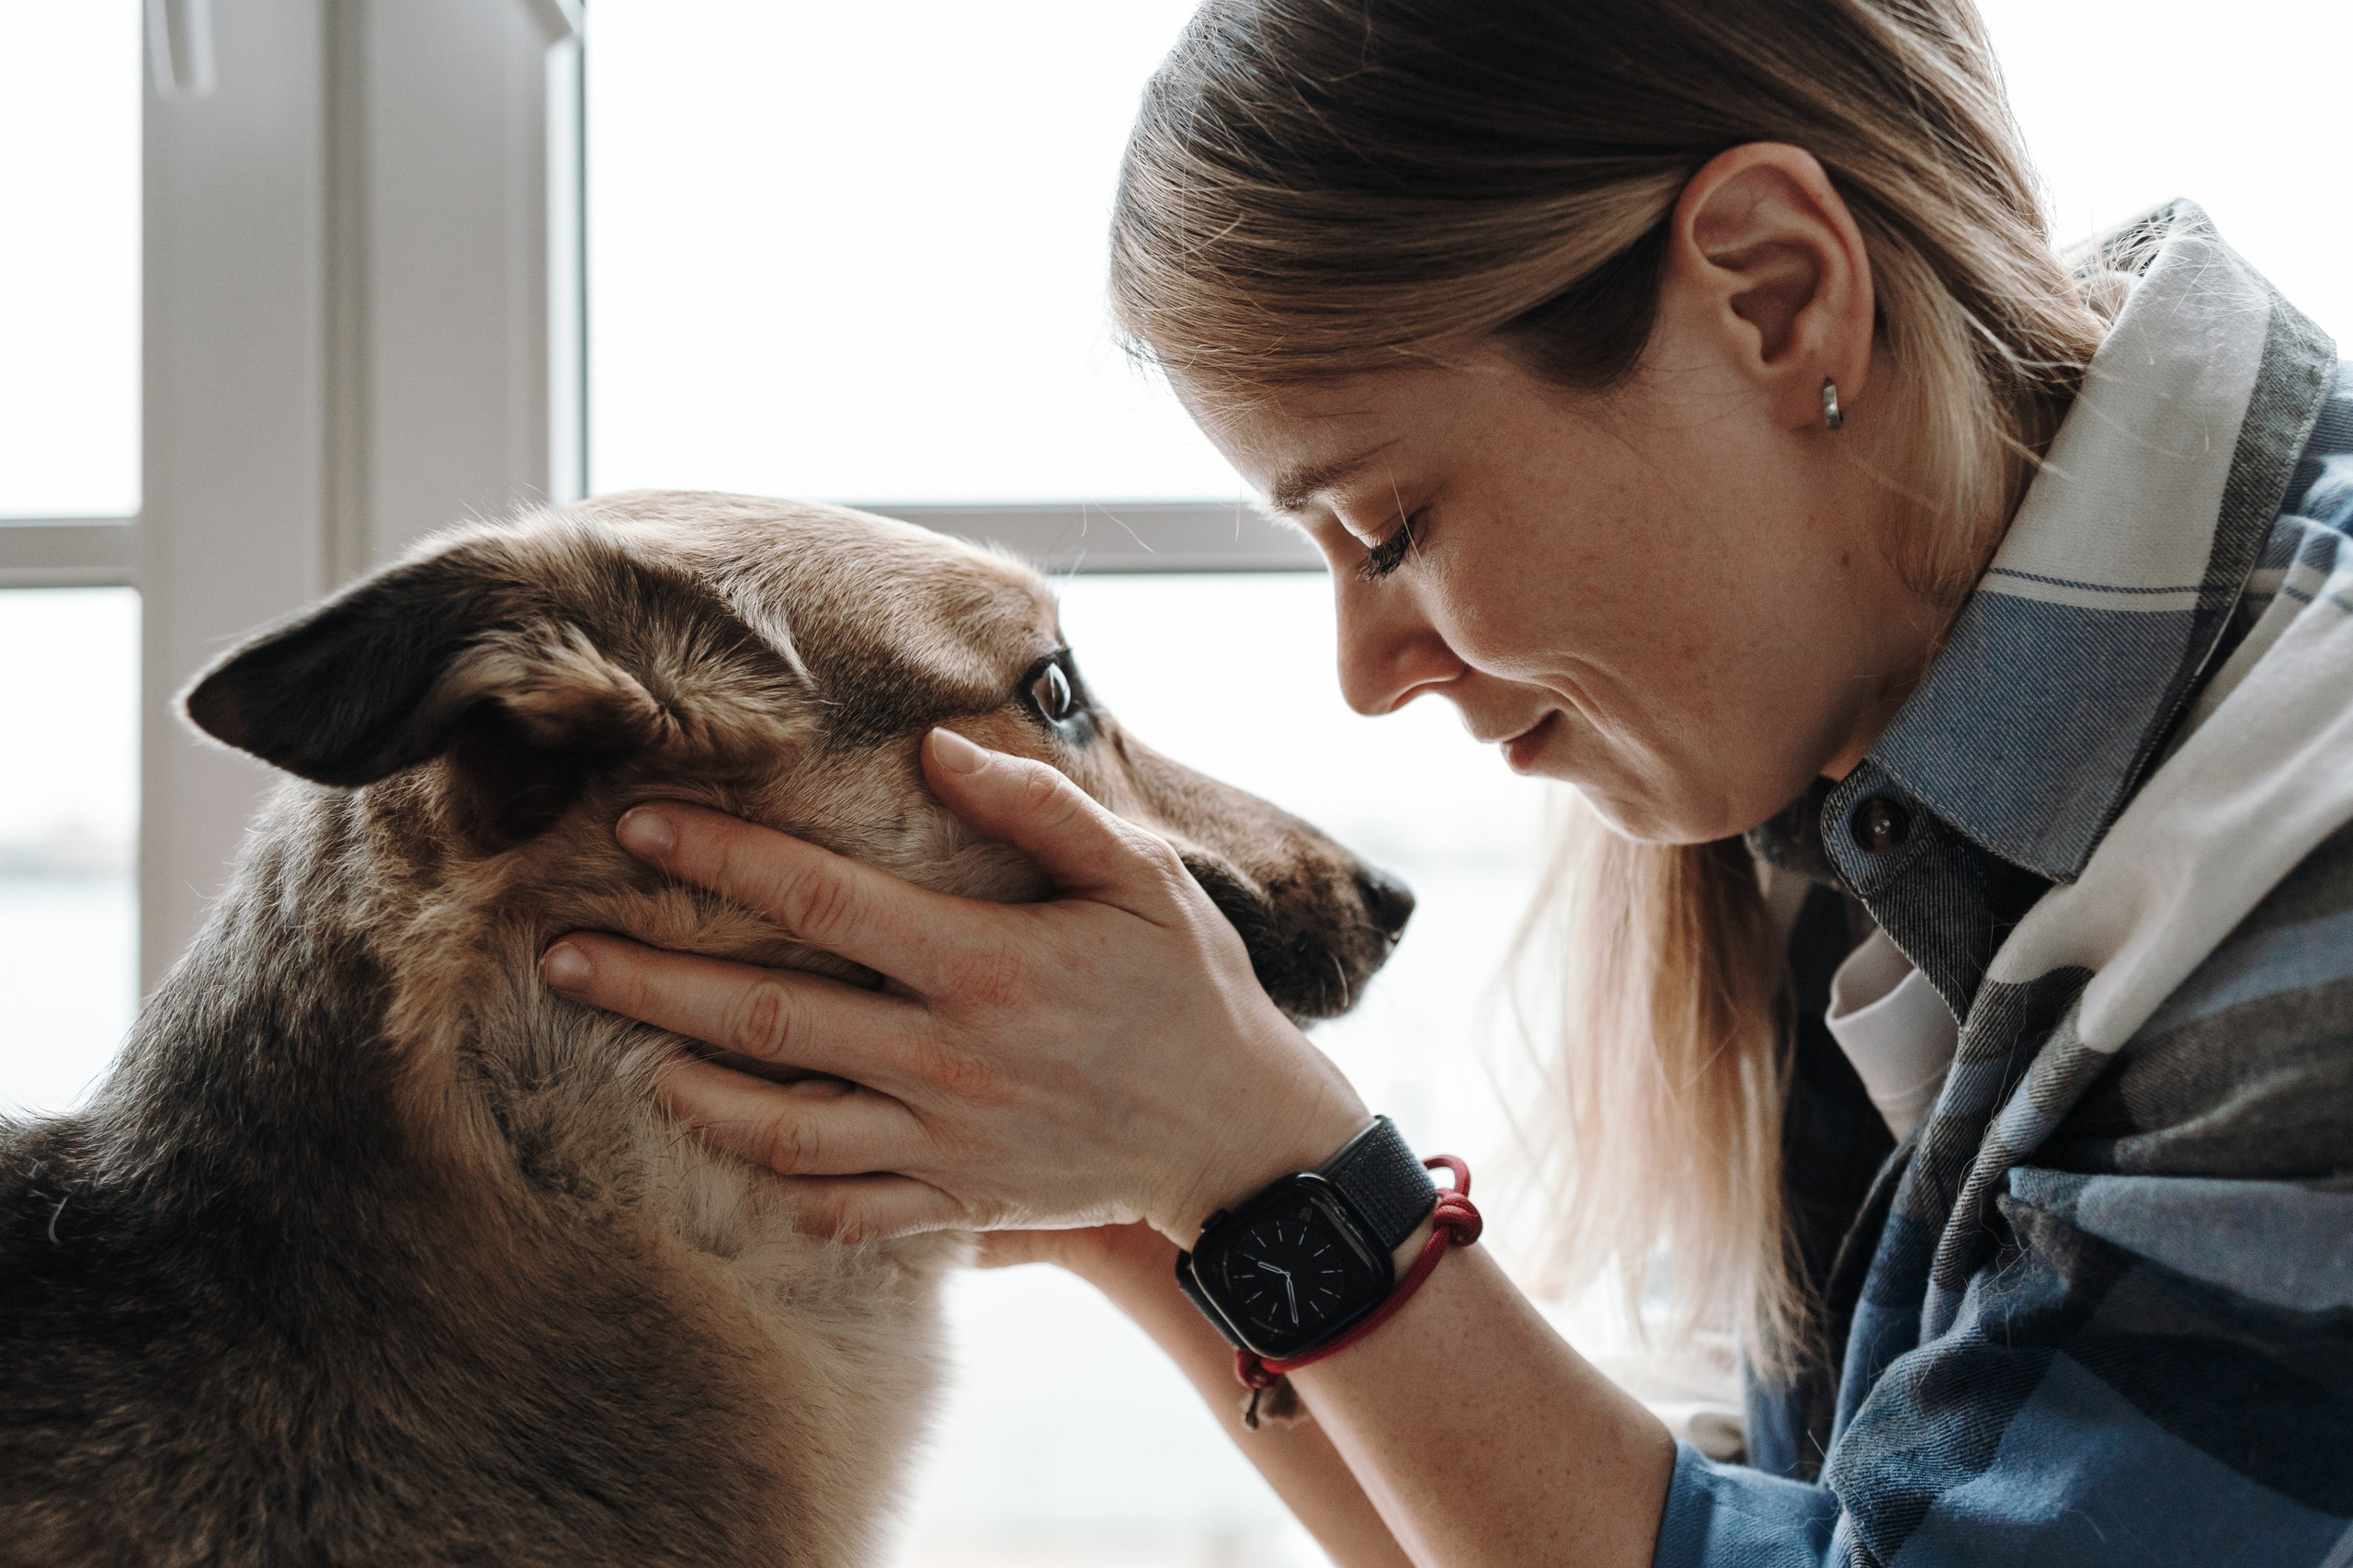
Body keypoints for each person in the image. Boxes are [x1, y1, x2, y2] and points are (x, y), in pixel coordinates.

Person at [535, 1, 2353, 1561]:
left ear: (1774, 294)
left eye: (1391, 525)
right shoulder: (1876, 719)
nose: (1364, 667)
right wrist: (1151, 1205)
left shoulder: (2313, 863)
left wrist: (1270, 1162)